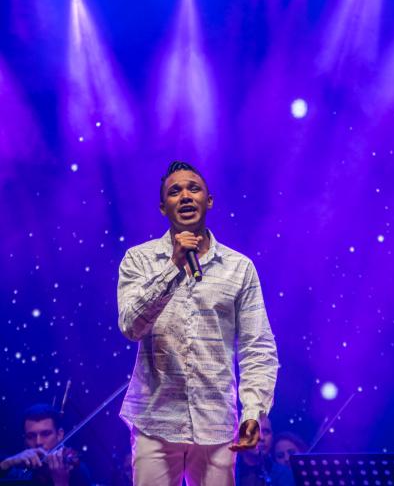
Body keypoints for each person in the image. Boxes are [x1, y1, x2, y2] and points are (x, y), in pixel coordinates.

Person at [117, 161, 279, 486]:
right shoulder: (139, 259)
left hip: (216, 423)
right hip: (155, 420)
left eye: (194, 188)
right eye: (174, 191)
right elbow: (131, 326)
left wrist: (253, 411)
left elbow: (257, 346)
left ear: (209, 200)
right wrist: (173, 267)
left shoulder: (239, 267)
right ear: (163, 207)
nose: (185, 196)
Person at [0, 404, 91, 486]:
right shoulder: (20, 467)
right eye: (31, 436)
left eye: (46, 434)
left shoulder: (76, 472)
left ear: (60, 435)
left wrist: (61, 483)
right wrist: (7, 463)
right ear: (25, 440)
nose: (38, 442)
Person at [236, 417, 294, 486]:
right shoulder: (229, 471)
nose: (262, 438)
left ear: (272, 437)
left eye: (266, 432)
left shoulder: (286, 476)